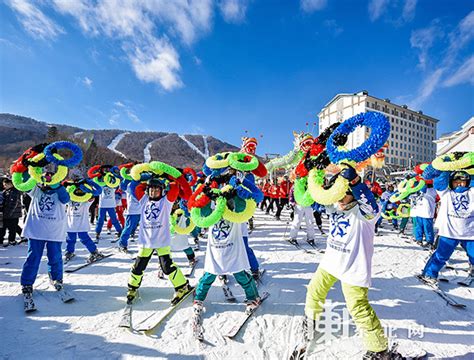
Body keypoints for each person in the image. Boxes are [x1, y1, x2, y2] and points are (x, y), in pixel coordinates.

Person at [303, 166, 399, 359]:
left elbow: (370, 204)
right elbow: (312, 201)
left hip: (353, 265)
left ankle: (378, 349)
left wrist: (356, 182)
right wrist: (307, 178)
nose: (338, 200)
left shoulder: (366, 212)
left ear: (352, 195)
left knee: (357, 307)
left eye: (343, 196)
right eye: (336, 196)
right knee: (314, 290)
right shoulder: (335, 207)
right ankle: (311, 323)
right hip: (331, 260)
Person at [126, 177, 192, 305]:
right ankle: (132, 288)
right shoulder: (144, 200)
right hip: (146, 241)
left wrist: (166, 177)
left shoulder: (166, 202)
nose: (154, 192)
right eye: (151, 190)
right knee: (138, 266)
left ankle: (182, 286)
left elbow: (174, 187)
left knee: (167, 267)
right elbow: (135, 187)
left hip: (161, 241)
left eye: (157, 190)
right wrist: (148, 177)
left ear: (162, 191)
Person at [20, 176, 70, 298]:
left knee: (55, 257)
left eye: (50, 179)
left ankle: (56, 278)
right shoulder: (36, 190)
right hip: (36, 231)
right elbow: (24, 181)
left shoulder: (60, 191)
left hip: (54, 231)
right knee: (33, 257)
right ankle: (27, 282)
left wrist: (56, 185)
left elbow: (65, 199)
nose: (47, 182)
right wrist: (29, 167)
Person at [421, 170, 473, 285]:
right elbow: (439, 182)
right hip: (449, 232)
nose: (459, 184)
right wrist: (446, 168)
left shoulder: (472, 192)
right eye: (456, 181)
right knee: (441, 255)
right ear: (451, 183)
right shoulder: (446, 193)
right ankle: (429, 274)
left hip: (470, 233)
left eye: (462, 181)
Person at [64, 179, 105, 263]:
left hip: (81, 225)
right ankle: (69, 252)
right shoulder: (69, 200)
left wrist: (89, 187)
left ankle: (94, 251)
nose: (78, 192)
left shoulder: (85, 201)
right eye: (77, 190)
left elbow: (93, 195)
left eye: (80, 191)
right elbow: (64, 195)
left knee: (84, 239)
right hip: (71, 224)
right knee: (70, 239)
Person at [1, 178, 23, 246]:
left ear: (10, 184)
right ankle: (23, 235)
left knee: (12, 227)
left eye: (6, 185)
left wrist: (9, 213)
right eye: (4, 185)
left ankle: (12, 240)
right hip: (7, 213)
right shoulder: (6, 191)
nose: (4, 186)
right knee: (11, 226)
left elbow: (14, 203)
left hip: (13, 213)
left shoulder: (14, 192)